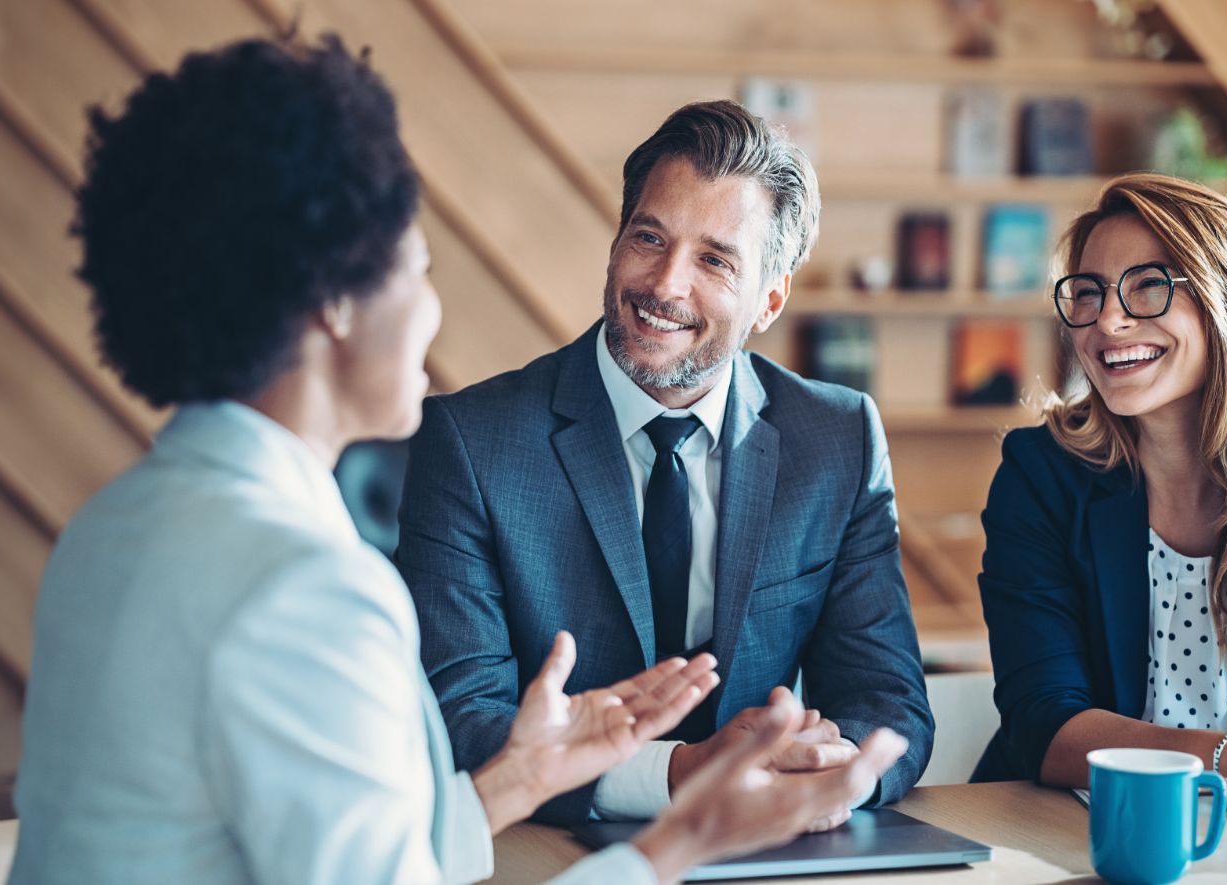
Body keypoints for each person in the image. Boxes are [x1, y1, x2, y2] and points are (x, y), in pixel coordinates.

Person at [7, 36, 906, 884]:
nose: (431, 314)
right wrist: (684, 837)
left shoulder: (108, 526)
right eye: (419, 268)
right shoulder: (308, 592)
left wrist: (519, 776)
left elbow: (356, 845)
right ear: (337, 305)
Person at [400, 100, 933, 827]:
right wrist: (682, 774)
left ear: (769, 300)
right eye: (649, 237)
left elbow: (888, 699)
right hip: (544, 849)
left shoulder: (838, 438)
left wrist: (825, 771)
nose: (665, 284)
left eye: (714, 259)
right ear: (616, 241)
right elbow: (460, 719)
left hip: (774, 850)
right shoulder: (472, 442)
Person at [971, 173, 1227, 788]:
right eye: (1088, 293)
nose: (1107, 322)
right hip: (1069, 825)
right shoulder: (1042, 475)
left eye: (1147, 287)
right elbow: (1045, 725)